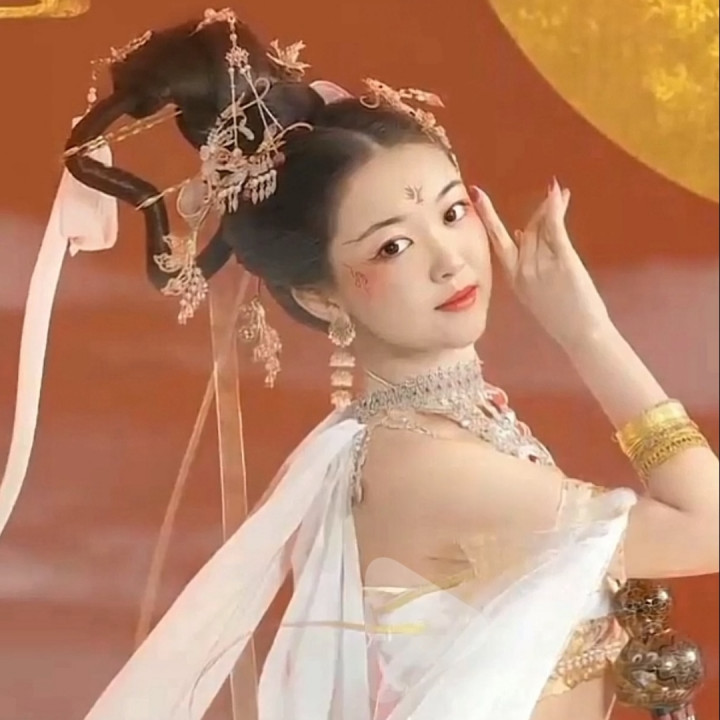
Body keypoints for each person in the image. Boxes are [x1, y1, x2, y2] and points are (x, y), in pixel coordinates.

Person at [1, 8, 717, 720]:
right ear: (320, 294)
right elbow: (706, 527)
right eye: (391, 246)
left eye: (451, 212)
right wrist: (587, 332)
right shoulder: (425, 466)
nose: (449, 260)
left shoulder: (443, 428)